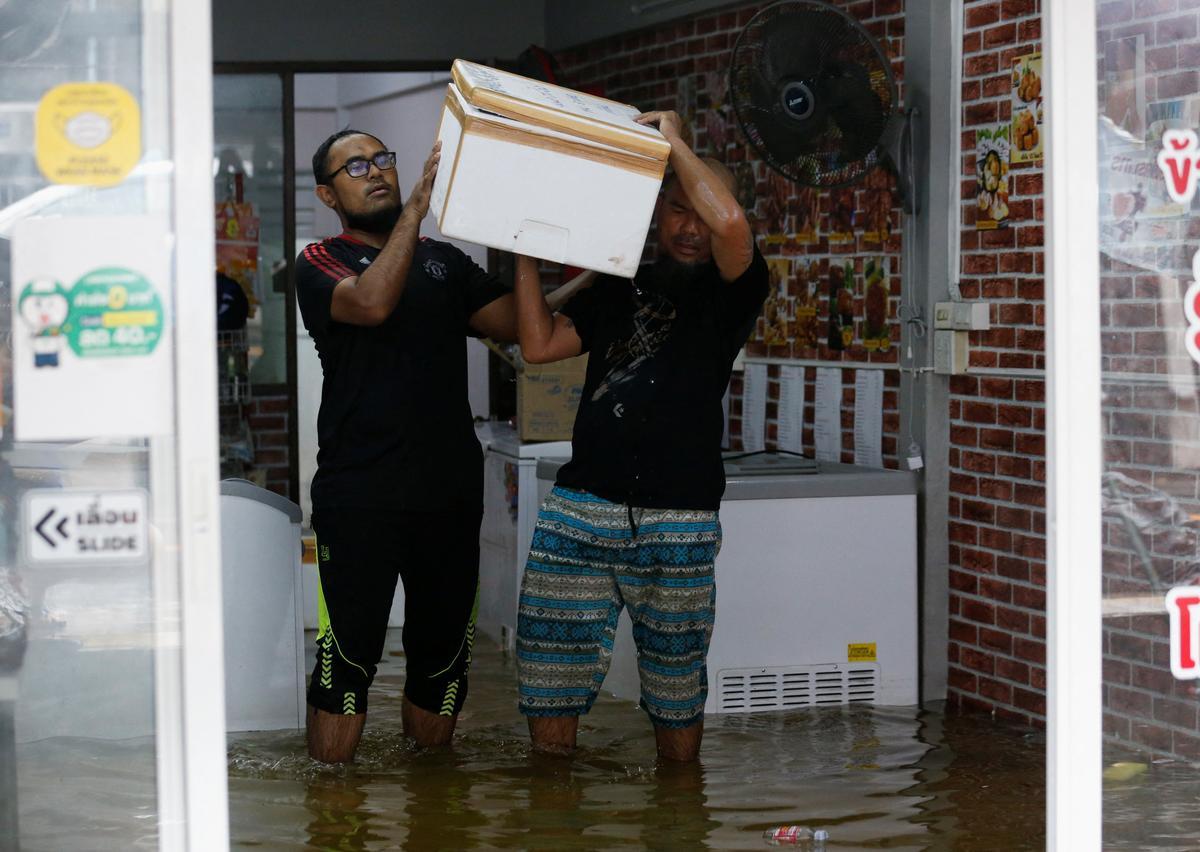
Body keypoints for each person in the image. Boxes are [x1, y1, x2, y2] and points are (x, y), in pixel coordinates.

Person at [295, 129, 588, 762]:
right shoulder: (321, 260)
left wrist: (551, 258)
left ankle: (433, 808)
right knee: (347, 659)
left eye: (383, 160)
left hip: (449, 495)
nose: (375, 172)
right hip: (360, 493)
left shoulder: (443, 262)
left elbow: (518, 328)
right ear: (327, 192)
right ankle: (332, 816)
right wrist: (416, 209)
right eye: (355, 167)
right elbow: (372, 304)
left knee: (442, 659)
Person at [511, 109, 768, 761]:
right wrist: (521, 251)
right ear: (658, 214)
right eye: (678, 210)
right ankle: (553, 822)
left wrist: (674, 143)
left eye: (701, 212)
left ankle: (680, 820)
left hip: (677, 516)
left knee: (675, 692)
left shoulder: (735, 291)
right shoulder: (620, 284)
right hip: (580, 509)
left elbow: (732, 224)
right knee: (545, 680)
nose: (692, 226)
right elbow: (538, 345)